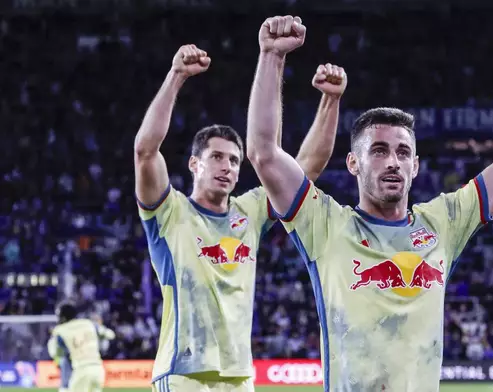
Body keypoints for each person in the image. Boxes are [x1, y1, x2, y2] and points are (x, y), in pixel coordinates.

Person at [246, 15, 493, 392]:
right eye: (379, 150)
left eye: (403, 152)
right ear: (353, 163)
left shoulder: (443, 222)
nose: (393, 161)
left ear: (415, 166)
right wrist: (272, 56)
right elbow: (263, 153)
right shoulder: (325, 224)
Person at [134, 44, 347, 392]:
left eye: (234, 161)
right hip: (184, 374)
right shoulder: (169, 212)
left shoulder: (248, 212)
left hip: (239, 378)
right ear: (193, 163)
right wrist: (176, 77)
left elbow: (307, 166)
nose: (227, 167)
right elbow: (145, 150)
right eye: (217, 157)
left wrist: (331, 101)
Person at [47, 302, 115, 392]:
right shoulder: (89, 324)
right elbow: (110, 334)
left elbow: (54, 353)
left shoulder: (60, 330)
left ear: (63, 317)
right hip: (98, 369)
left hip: (81, 370)